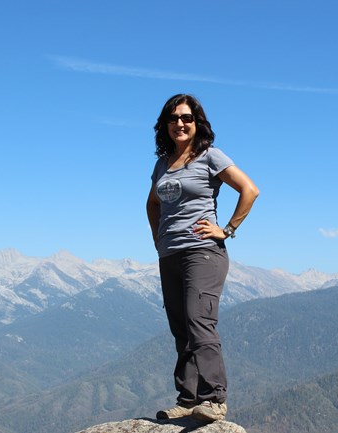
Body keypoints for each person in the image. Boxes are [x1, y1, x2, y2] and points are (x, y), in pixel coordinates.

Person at [146, 94, 259, 422]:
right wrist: (158, 238)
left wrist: (227, 229)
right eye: (172, 118)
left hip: (203, 253)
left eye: (186, 118)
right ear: (165, 125)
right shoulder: (162, 164)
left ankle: (214, 398)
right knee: (180, 327)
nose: (179, 124)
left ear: (197, 123)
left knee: (199, 321)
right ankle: (188, 397)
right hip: (170, 254)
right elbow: (152, 204)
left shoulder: (210, 157)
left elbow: (249, 189)